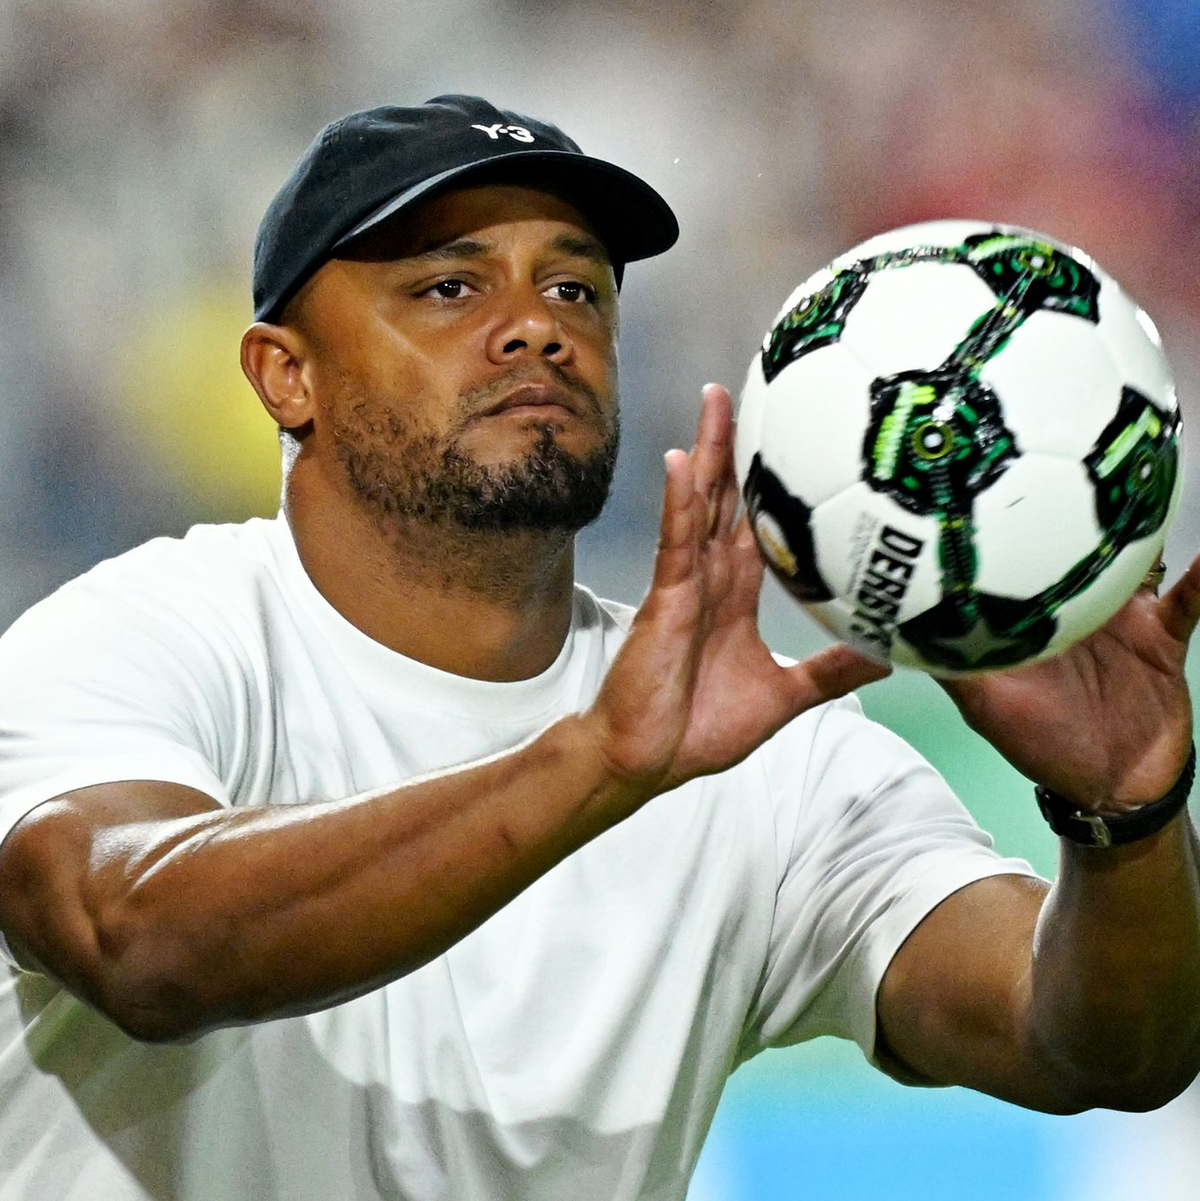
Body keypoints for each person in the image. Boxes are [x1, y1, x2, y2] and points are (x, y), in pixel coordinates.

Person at [0, 93, 1198, 1201]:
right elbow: (136, 940)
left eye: (575, 289)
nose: (535, 327)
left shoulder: (753, 750)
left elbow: (1095, 1049)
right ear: (285, 373)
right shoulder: (152, 637)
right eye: (449, 287)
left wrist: (1129, 817)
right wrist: (596, 762)